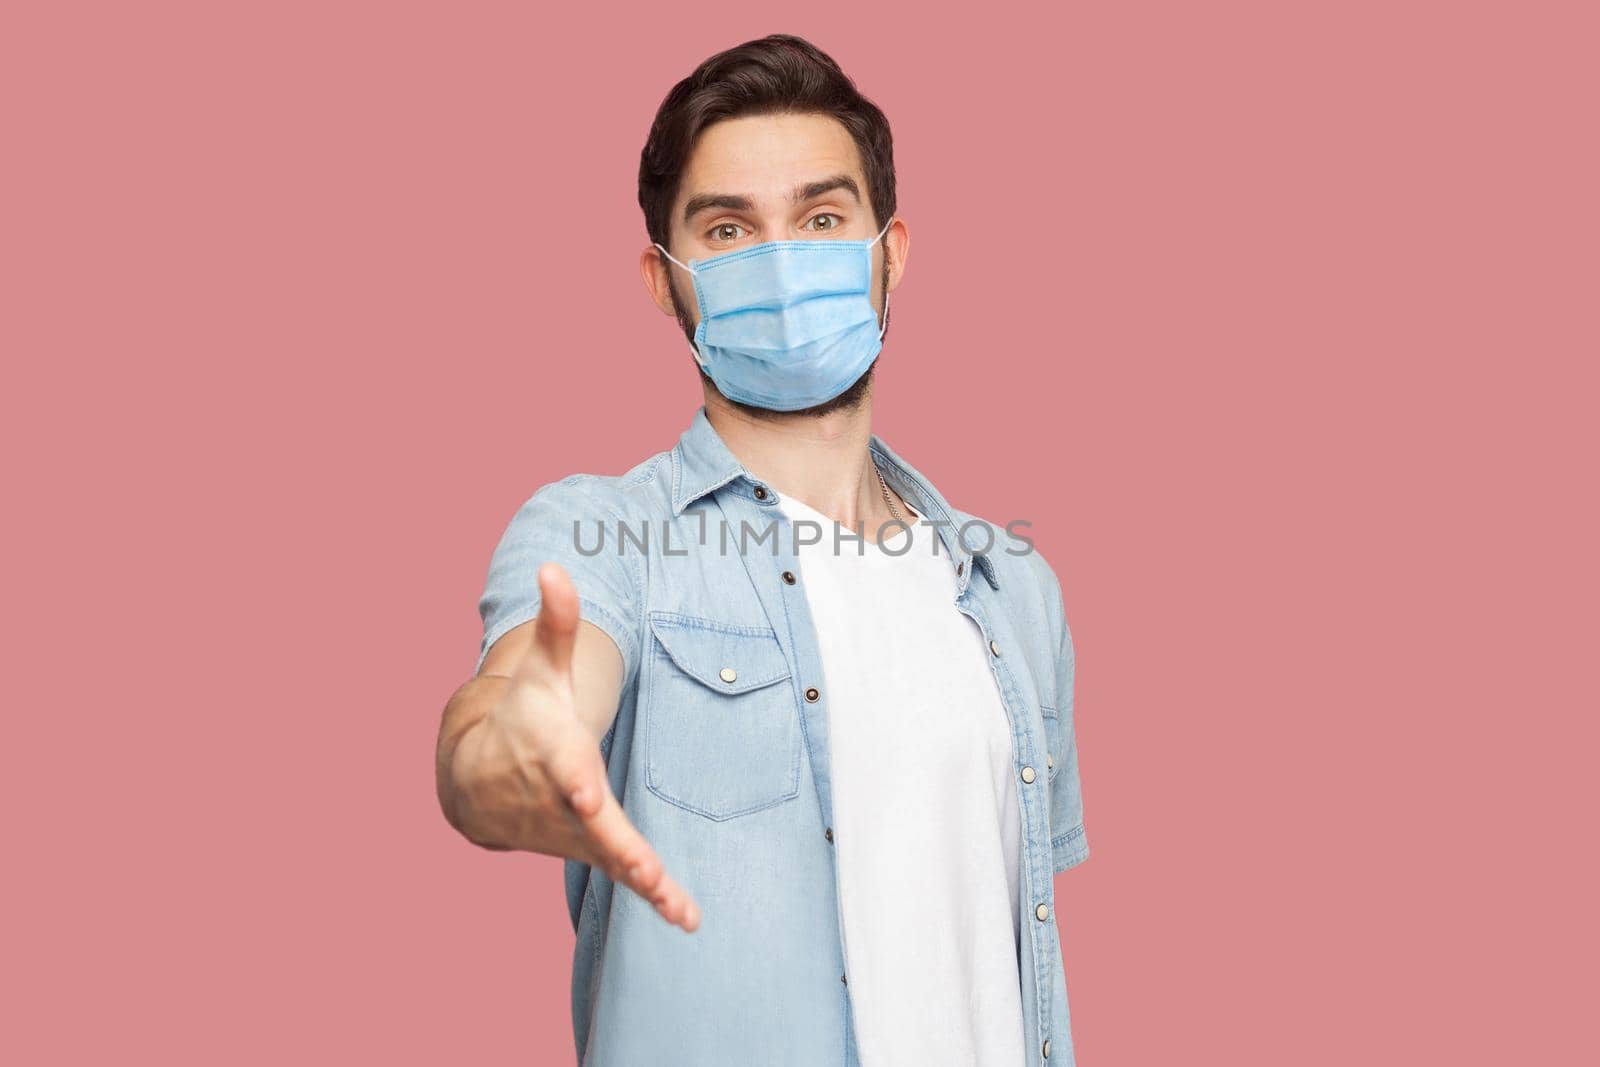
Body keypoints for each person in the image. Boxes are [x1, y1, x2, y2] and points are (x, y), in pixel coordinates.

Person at [434, 33, 1089, 1067]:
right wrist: (510, 747)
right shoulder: (605, 536)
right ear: (664, 280)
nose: (782, 261)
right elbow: (518, 705)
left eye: (822, 218)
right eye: (729, 229)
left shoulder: (1011, 587)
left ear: (892, 250)